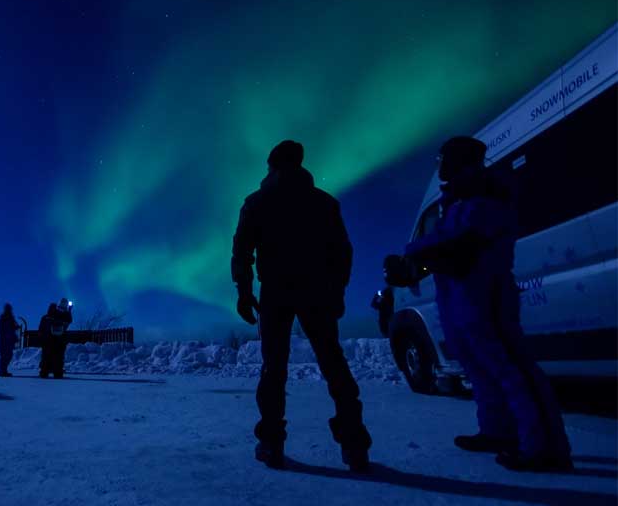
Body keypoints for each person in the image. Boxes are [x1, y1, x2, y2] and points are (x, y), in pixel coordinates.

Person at [385, 136, 572, 472]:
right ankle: (497, 431)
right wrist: (414, 266)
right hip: (461, 297)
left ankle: (543, 447)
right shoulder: (458, 200)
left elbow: (461, 245)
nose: (440, 165)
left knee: (510, 367)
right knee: (479, 367)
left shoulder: (486, 195)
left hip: (484, 294)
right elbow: (448, 249)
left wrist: (416, 255)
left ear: (458, 161)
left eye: (443, 159)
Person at [231, 140, 371, 471]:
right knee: (333, 363)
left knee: (273, 367)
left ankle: (271, 442)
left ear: (274, 166)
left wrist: (244, 290)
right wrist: (337, 291)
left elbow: (242, 251)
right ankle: (354, 445)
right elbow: (342, 253)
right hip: (317, 290)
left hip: (276, 292)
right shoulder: (324, 203)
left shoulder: (257, 202)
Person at [39, 298, 73, 379]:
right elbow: (69, 320)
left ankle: (45, 372)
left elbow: (41, 329)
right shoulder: (63, 316)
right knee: (57, 357)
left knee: (47, 356)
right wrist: (69, 311)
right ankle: (56, 372)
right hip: (58, 341)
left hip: (49, 340)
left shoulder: (46, 317)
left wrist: (42, 338)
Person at [0, 303, 19, 377]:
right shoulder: (3, 318)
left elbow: (13, 328)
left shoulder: (10, 318)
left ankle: (4, 370)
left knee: (9, 355)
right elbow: (1, 330)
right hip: (4, 340)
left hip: (9, 339)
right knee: (5, 355)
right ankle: (2, 371)